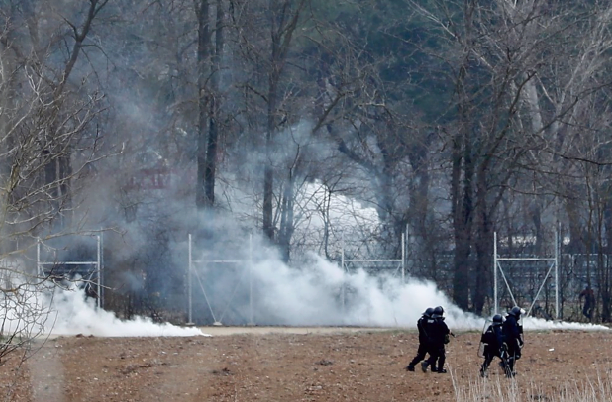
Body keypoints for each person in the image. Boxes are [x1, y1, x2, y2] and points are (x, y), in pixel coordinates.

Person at [421, 305, 453, 373]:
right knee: (442, 356)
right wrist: (450, 332)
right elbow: (446, 330)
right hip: (438, 342)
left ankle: (433, 368)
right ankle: (438, 368)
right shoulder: (440, 322)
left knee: (434, 355)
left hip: (429, 341)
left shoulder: (429, 320)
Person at [405, 307, 434, 371]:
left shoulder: (421, 320)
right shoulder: (426, 321)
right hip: (428, 341)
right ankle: (427, 364)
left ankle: (411, 365)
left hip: (422, 340)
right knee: (435, 355)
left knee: (421, 356)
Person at [501, 306, 524, 377]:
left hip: (507, 339)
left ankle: (509, 370)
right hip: (510, 340)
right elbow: (515, 332)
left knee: (513, 355)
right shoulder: (512, 320)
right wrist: (520, 340)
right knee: (515, 355)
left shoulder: (509, 319)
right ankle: (507, 368)